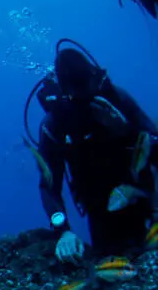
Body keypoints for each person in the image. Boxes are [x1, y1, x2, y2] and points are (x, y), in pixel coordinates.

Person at [30, 41, 157, 262]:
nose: (88, 101)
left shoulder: (118, 99)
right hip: (100, 211)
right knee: (113, 267)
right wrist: (63, 230)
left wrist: (127, 131)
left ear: (95, 77)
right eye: (78, 95)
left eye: (88, 88)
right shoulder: (54, 126)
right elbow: (49, 186)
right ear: (65, 91)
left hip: (145, 198)